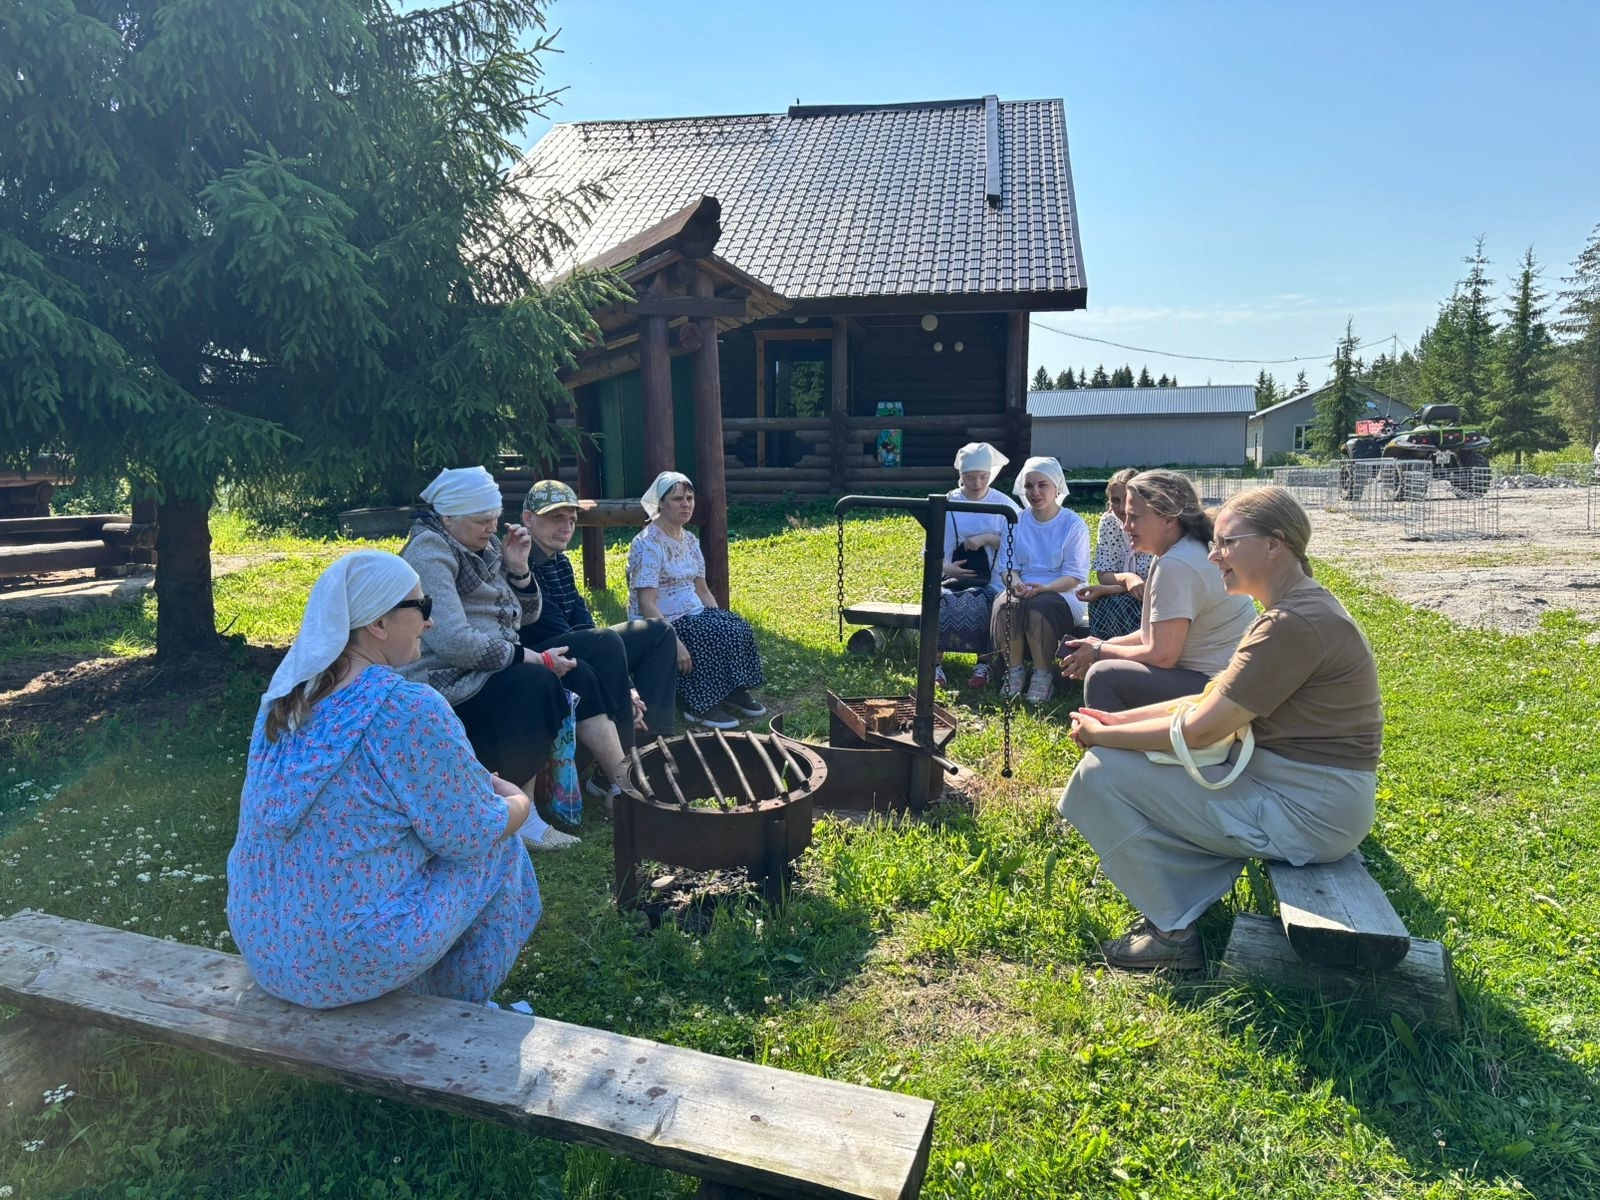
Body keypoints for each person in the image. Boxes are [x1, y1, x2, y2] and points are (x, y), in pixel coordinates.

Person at [1057, 486, 1383, 972]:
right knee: (1120, 760)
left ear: (1274, 545)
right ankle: (1183, 897)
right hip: (1306, 794)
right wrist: (1117, 720)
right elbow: (1209, 698)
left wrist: (1103, 737)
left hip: (1312, 811)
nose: (1213, 553)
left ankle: (1172, 932)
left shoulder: (1291, 622)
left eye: (1227, 543)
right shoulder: (1294, 608)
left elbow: (1201, 729)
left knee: (1100, 773)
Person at [226, 550, 540, 1009]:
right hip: (343, 961)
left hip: (267, 945)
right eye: (422, 607)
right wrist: (518, 803)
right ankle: (461, 1012)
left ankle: (420, 992)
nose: (429, 623)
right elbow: (470, 833)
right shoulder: (406, 708)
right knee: (501, 847)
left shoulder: (282, 702)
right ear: (378, 624)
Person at [401, 466, 637, 841]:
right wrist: (530, 658)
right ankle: (521, 816)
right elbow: (454, 643)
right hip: (450, 677)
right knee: (535, 680)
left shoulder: (484, 545)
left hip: (494, 661)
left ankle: (625, 785)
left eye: (494, 519)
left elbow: (525, 616)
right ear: (447, 517)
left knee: (586, 665)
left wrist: (519, 571)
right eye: (482, 521)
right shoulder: (429, 551)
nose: (491, 529)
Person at [519, 479, 680, 794]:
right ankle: (622, 772)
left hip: (580, 645)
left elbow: (582, 619)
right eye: (556, 518)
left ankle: (652, 747)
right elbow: (559, 631)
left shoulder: (559, 561)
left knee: (659, 632)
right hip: (538, 658)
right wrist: (623, 691)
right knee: (604, 641)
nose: (566, 527)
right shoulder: (521, 561)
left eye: (571, 519)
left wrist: (629, 688)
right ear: (528, 519)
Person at [1059, 470, 1256, 713]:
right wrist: (1097, 645)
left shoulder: (1177, 564)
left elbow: (1162, 655)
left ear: (1169, 518)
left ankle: (1122, 749)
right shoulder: (1180, 550)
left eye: (1135, 517)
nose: (1125, 525)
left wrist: (1099, 652)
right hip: (1226, 680)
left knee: (1103, 677)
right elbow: (1150, 634)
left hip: (1219, 687)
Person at [626, 471, 766, 730]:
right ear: (660, 504)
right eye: (677, 499)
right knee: (706, 634)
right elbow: (646, 602)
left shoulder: (689, 540)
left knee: (735, 626)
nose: (686, 504)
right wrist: (673, 641)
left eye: (689, 498)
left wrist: (719, 619)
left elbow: (701, 588)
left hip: (692, 612)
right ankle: (698, 705)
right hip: (660, 620)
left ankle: (732, 690)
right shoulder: (648, 544)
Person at [991, 455, 1091, 704]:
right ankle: (1014, 672)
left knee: (1040, 607)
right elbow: (1007, 567)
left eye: (1042, 485)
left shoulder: (1073, 525)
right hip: (1023, 587)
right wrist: (1017, 586)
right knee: (1005, 604)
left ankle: (1043, 675)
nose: (1035, 492)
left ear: (1056, 487)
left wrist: (1045, 588)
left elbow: (1074, 576)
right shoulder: (1016, 521)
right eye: (1029, 486)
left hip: (1063, 591)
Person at [935, 441, 1021, 689]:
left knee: (986, 603)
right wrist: (947, 568)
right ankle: (935, 664)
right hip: (952, 575)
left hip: (993, 576)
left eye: (983, 477)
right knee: (939, 600)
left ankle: (983, 663)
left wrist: (986, 538)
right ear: (961, 476)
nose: (977, 483)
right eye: (970, 477)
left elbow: (1017, 544)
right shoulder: (948, 502)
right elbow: (935, 545)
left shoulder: (1004, 505)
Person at [1074, 468, 1152, 641]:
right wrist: (1128, 579)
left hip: (1155, 595)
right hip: (1127, 592)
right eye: (1116, 500)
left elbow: (1159, 583)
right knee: (1100, 603)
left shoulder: (1154, 523)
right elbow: (1104, 574)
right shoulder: (1110, 521)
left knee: (1128, 605)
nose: (1122, 507)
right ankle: (1103, 658)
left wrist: (1112, 588)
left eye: (1128, 499)